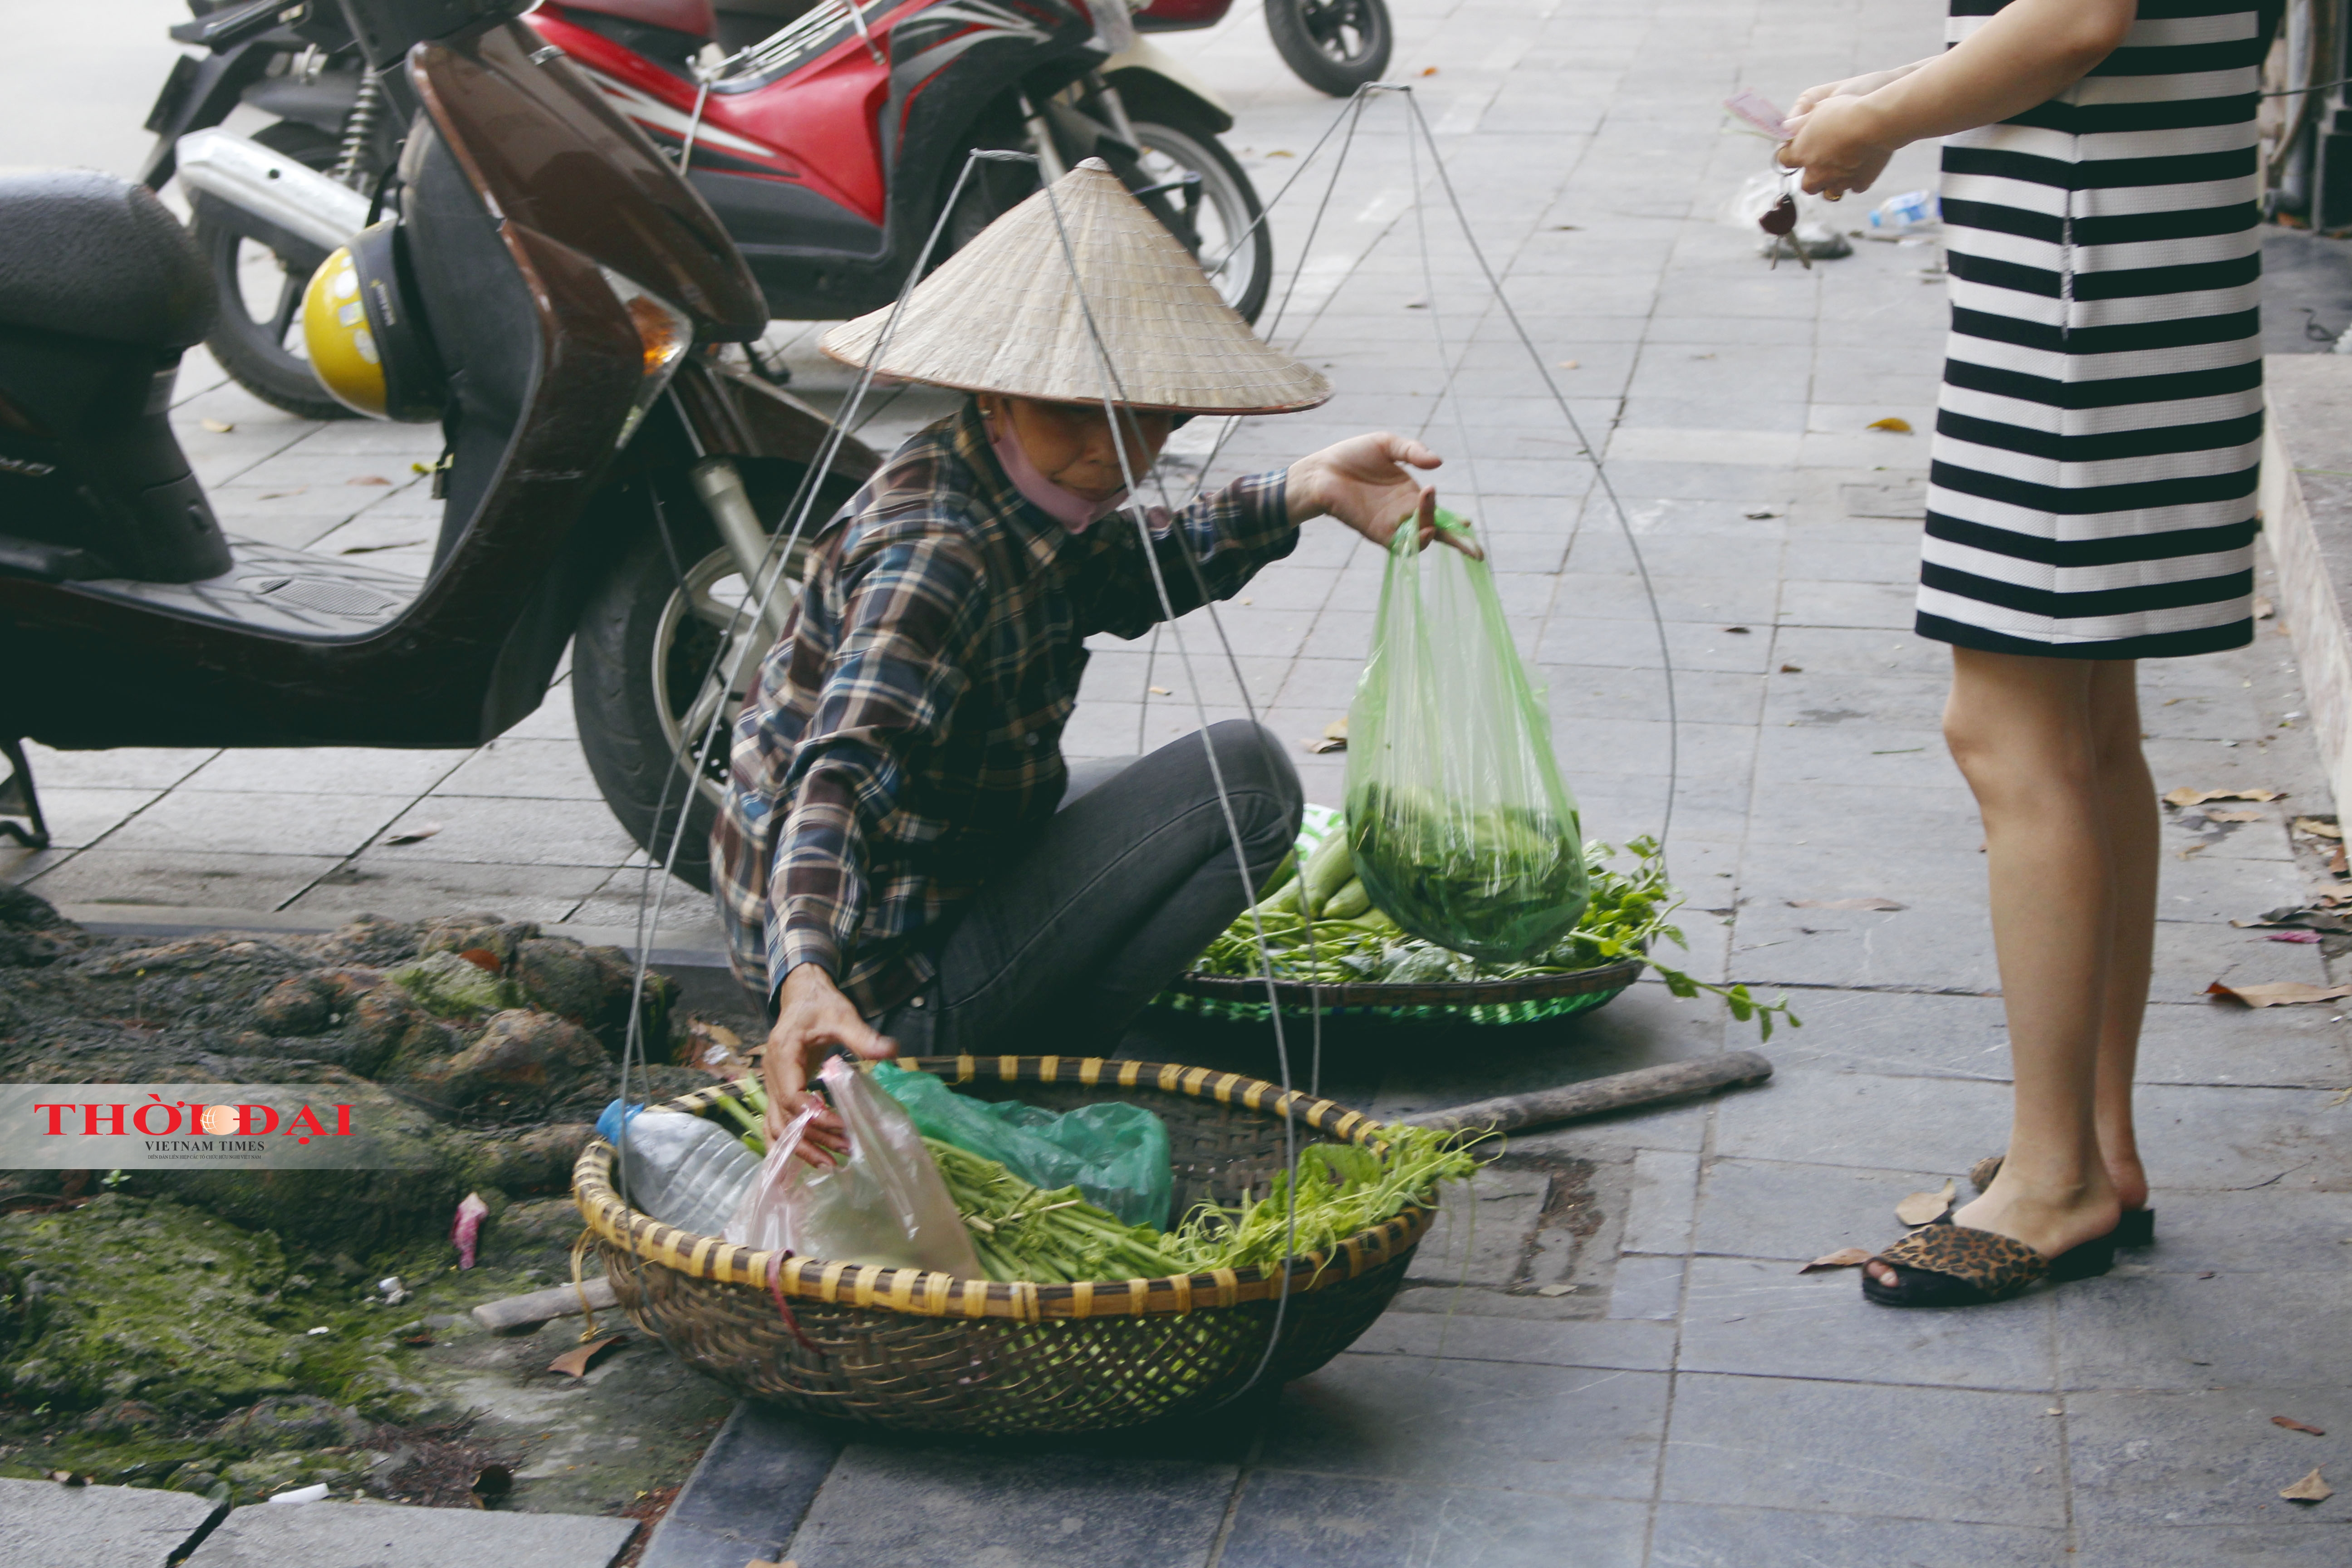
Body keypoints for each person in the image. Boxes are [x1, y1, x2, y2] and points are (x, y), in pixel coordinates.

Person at [713, 160, 1472, 1156]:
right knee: (1242, 783)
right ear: (996, 394)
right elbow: (840, 770)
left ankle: (1022, 1030)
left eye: (1144, 416)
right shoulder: (938, 555)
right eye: (1073, 410)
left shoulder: (1011, 485)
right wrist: (804, 977)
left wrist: (1311, 486)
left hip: (936, 878)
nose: (1115, 447)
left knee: (1199, 793)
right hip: (884, 1002)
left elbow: (1130, 572)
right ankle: (1033, 1060)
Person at [1780, 0, 2264, 1305]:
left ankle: (2054, 1181)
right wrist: (1886, 94)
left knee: (2010, 733)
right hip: (2121, 282)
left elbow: (2077, 19)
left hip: (2083, 308)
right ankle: (2096, 1148)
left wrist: (1881, 115)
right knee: (2087, 732)